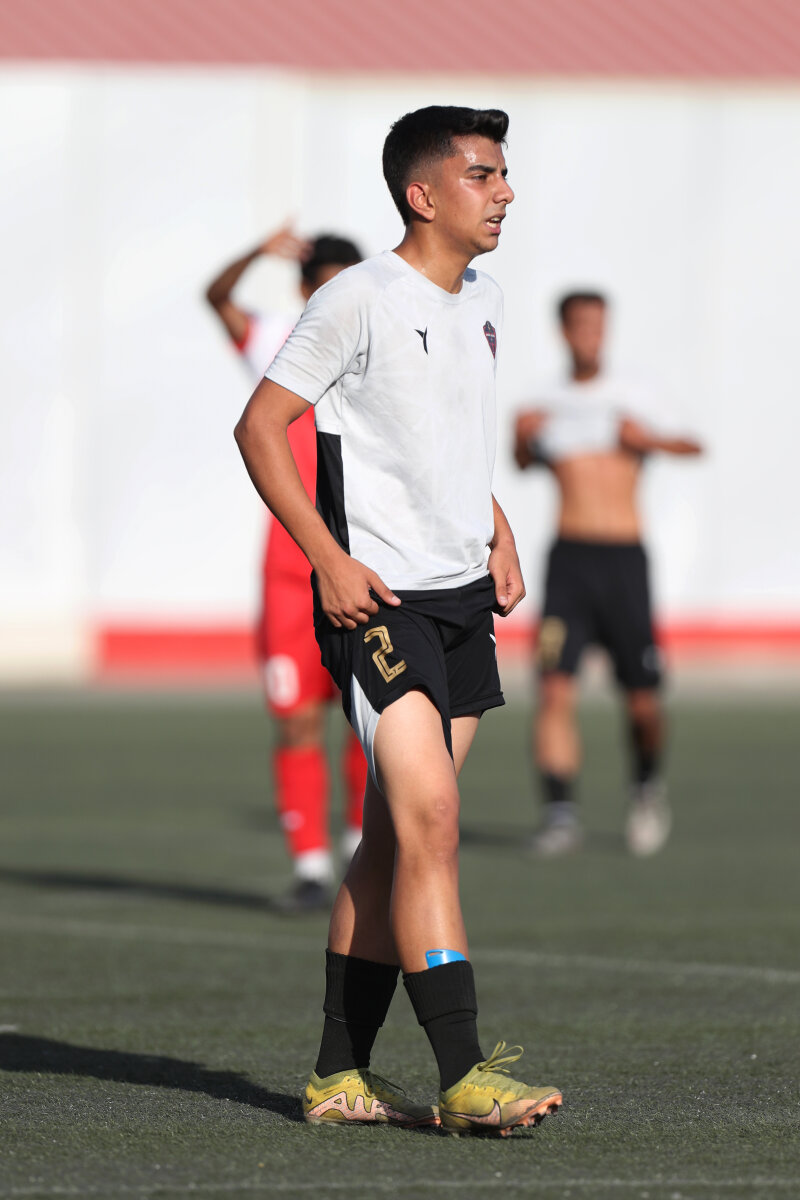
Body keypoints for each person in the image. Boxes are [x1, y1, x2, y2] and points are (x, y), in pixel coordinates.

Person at [234, 106, 563, 1135]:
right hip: (381, 604)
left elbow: (442, 442)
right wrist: (327, 559)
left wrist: (499, 529)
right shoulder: (355, 298)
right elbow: (259, 427)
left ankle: (338, 1075)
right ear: (422, 195)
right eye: (482, 175)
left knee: (391, 840)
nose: (504, 191)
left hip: (463, 603)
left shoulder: (485, 299)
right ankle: (464, 1074)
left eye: (503, 173)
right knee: (431, 822)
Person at [206, 228, 368, 913]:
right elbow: (217, 298)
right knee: (297, 720)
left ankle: (364, 852)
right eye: (322, 283)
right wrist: (257, 249)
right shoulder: (279, 338)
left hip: (361, 555)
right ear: (305, 288)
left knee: (369, 718)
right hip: (289, 567)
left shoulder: (376, 342)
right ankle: (309, 867)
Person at [513, 290, 703, 858]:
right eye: (581, 326)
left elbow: (692, 445)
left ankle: (646, 786)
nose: (591, 336)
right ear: (563, 332)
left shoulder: (636, 393)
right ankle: (559, 813)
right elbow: (523, 461)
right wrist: (521, 438)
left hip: (623, 560)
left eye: (599, 326)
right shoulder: (545, 400)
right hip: (570, 560)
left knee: (642, 700)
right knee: (553, 688)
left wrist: (649, 441)